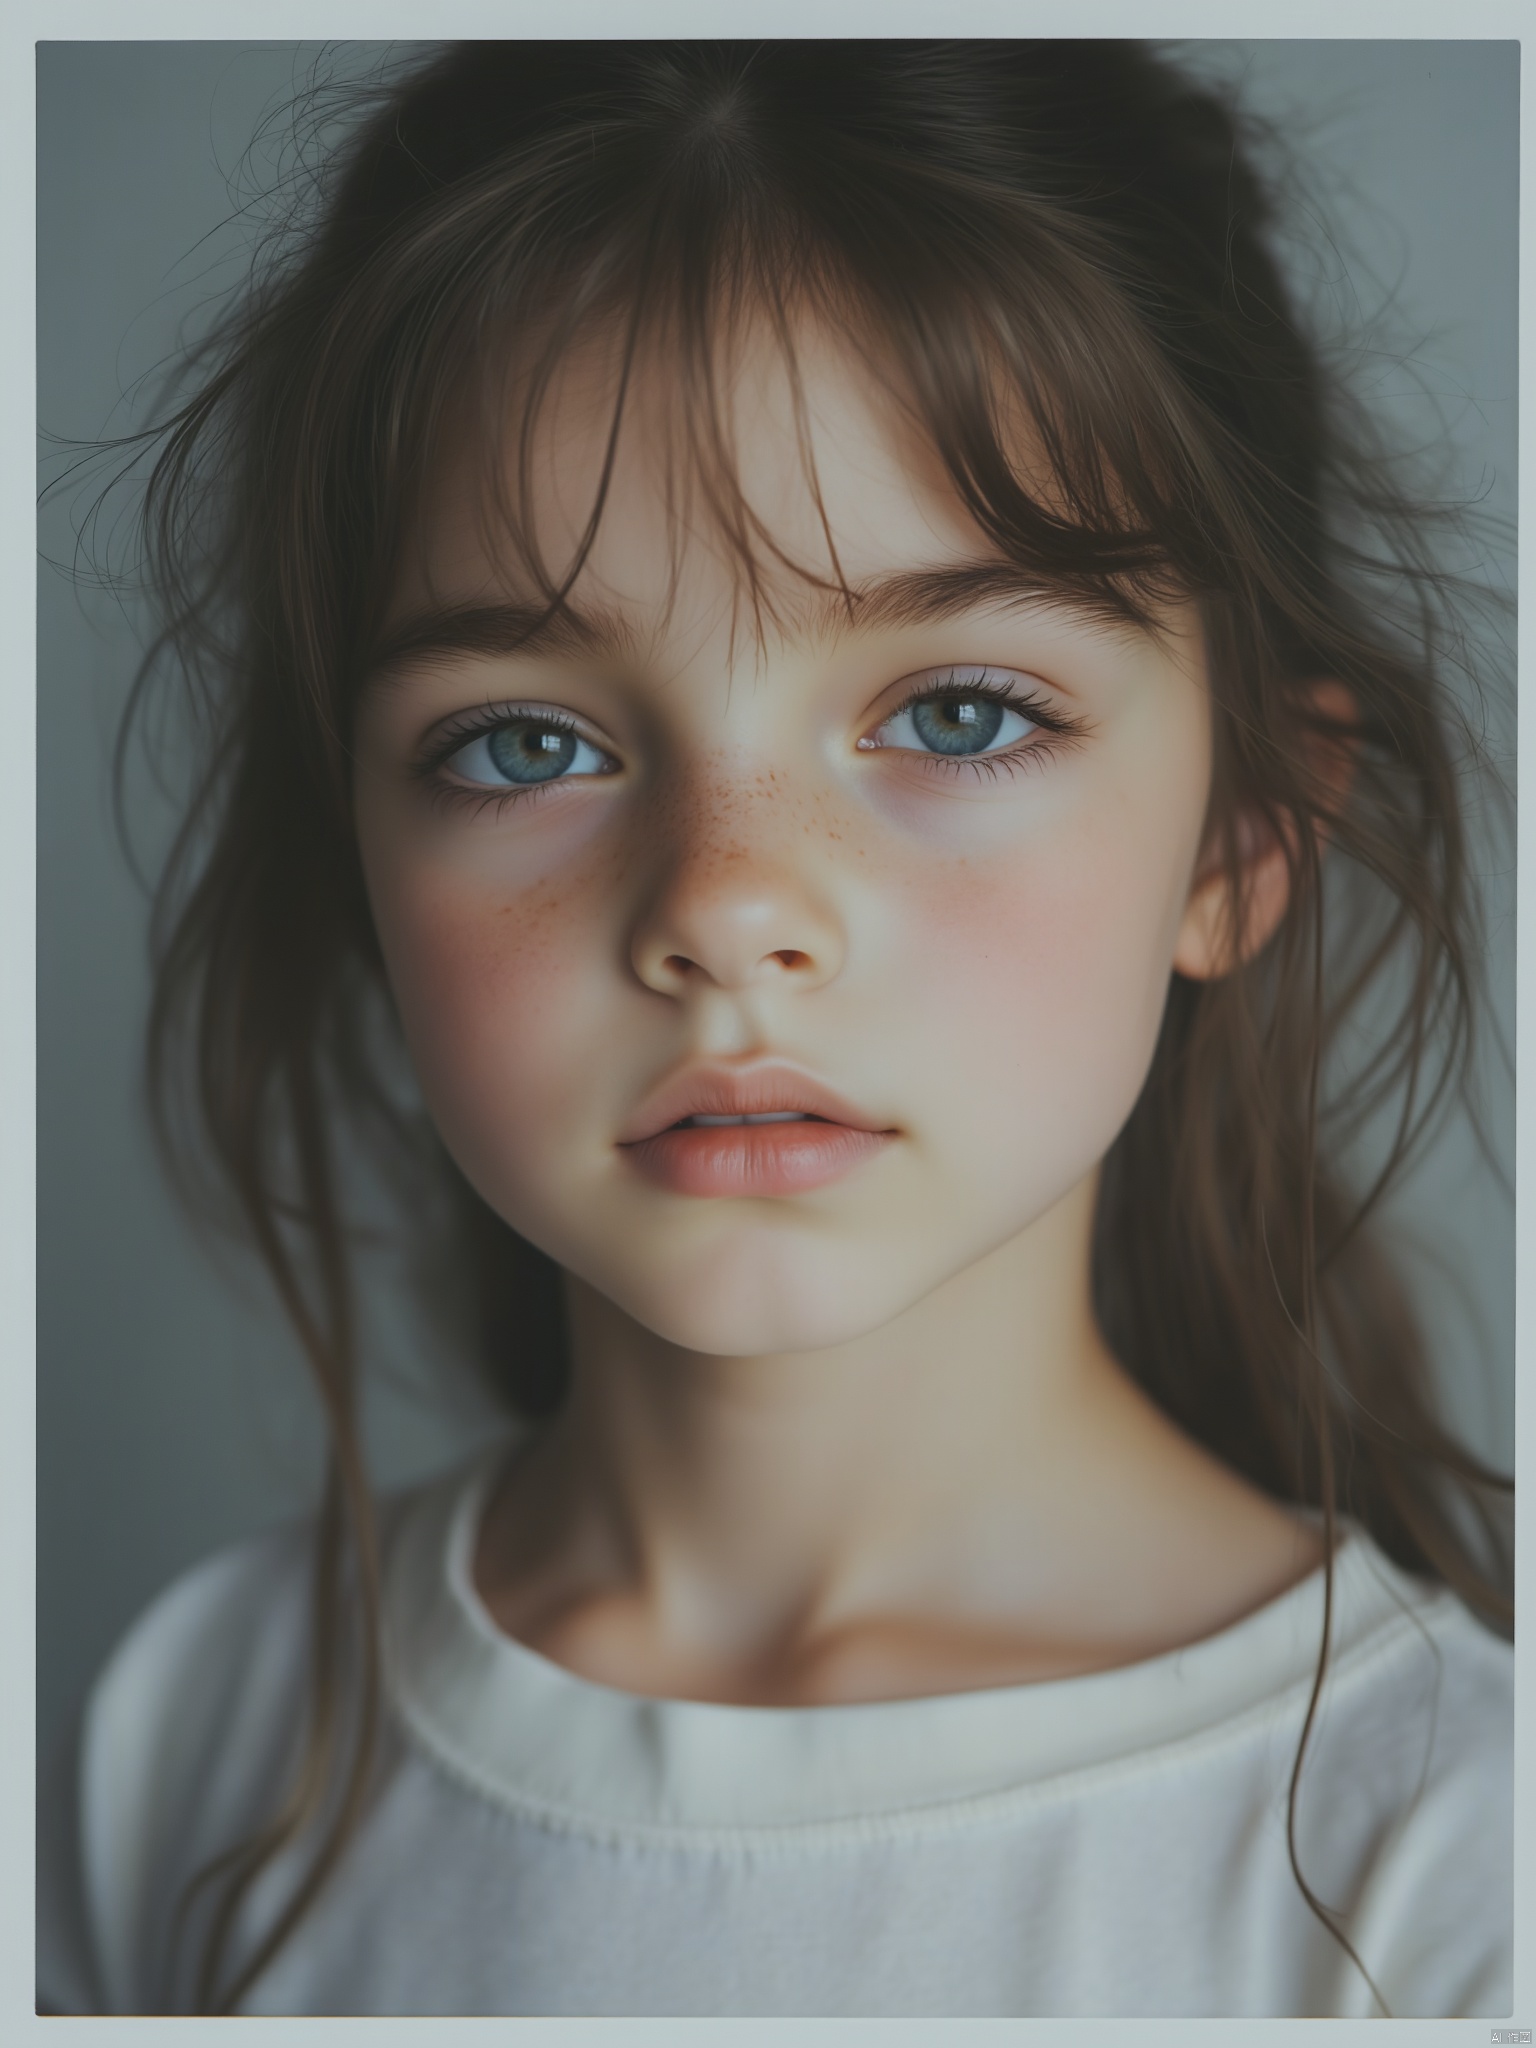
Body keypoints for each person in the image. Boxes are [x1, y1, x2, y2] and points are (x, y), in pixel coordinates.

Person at [36, 40, 1514, 2019]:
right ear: (364, 858)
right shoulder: (201, 1741)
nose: (728, 902)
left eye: (960, 713)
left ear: (1246, 833)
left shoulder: (1453, 1865)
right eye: (527, 742)